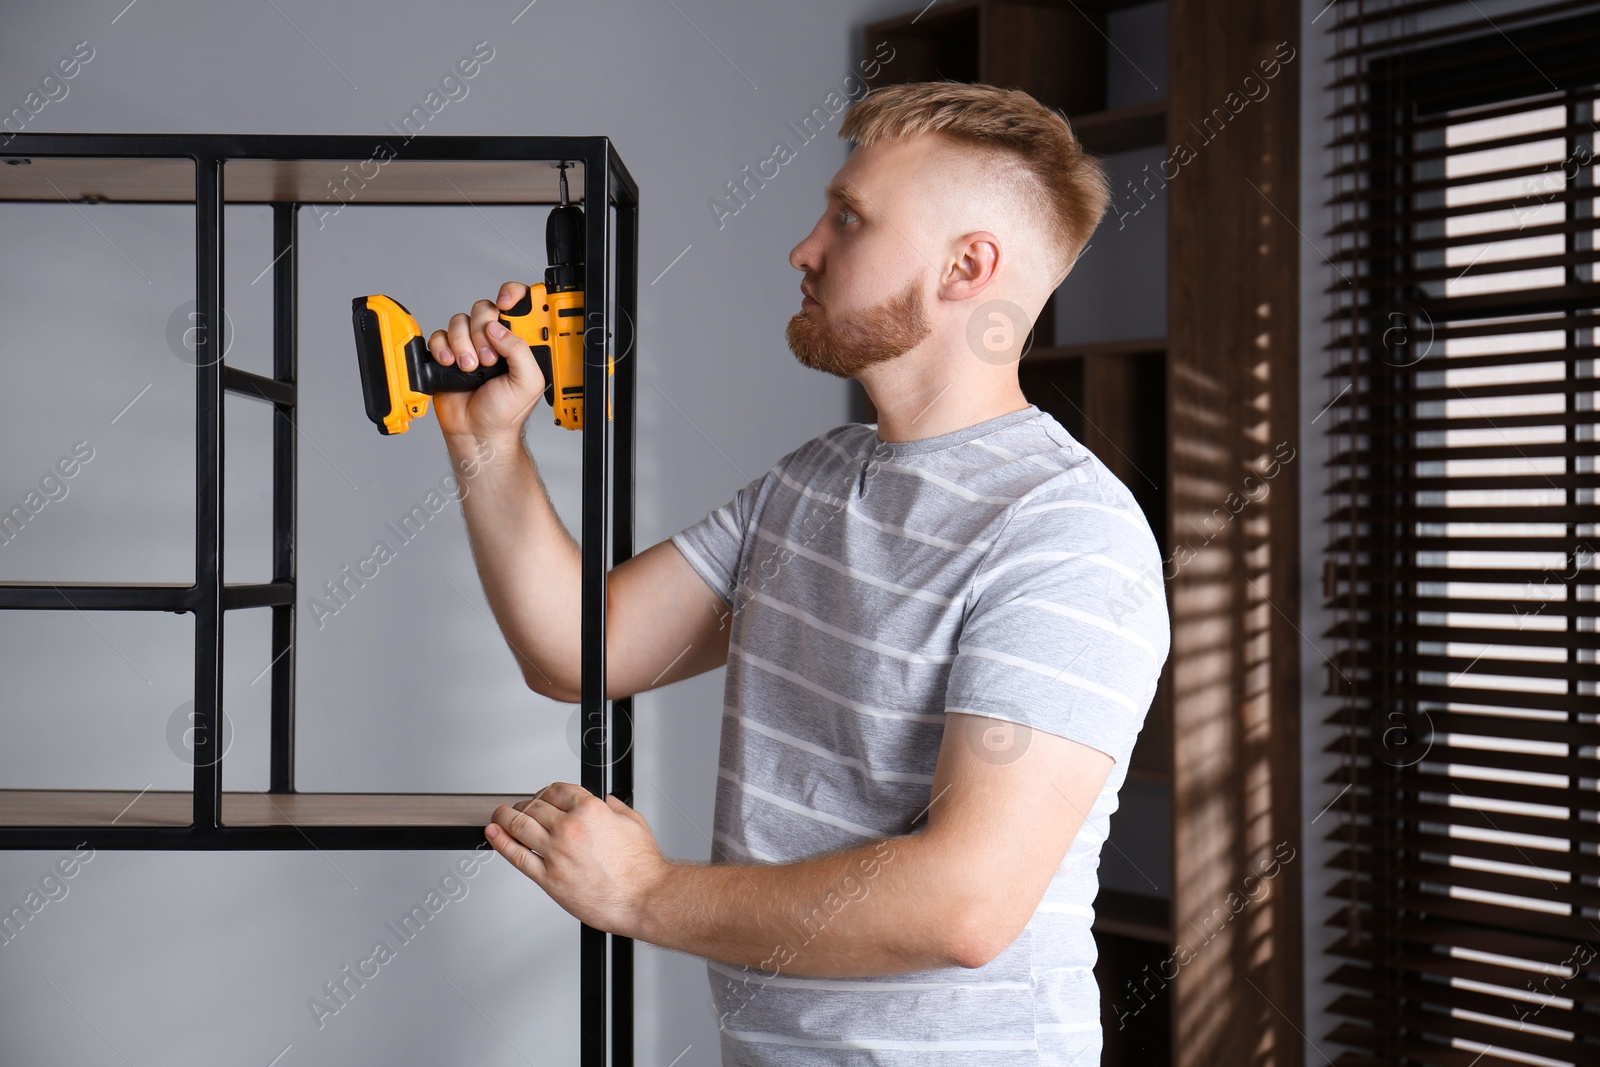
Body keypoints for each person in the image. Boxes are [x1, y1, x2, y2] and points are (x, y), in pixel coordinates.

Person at [427, 80, 1170, 1067]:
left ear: (965, 267)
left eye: (848, 218)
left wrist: (644, 892)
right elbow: (579, 648)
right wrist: (485, 446)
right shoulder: (814, 480)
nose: (804, 248)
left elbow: (966, 900)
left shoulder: (1064, 535)